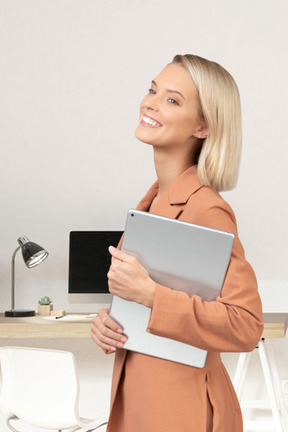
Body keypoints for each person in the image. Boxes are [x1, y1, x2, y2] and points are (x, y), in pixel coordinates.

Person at [90, 54, 263, 432]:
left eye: (172, 99)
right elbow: (150, 312)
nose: (150, 102)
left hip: (182, 410)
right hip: (140, 400)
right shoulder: (151, 202)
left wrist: (150, 294)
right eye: (152, 90)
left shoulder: (208, 208)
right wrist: (109, 326)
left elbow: (246, 325)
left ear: (202, 126)